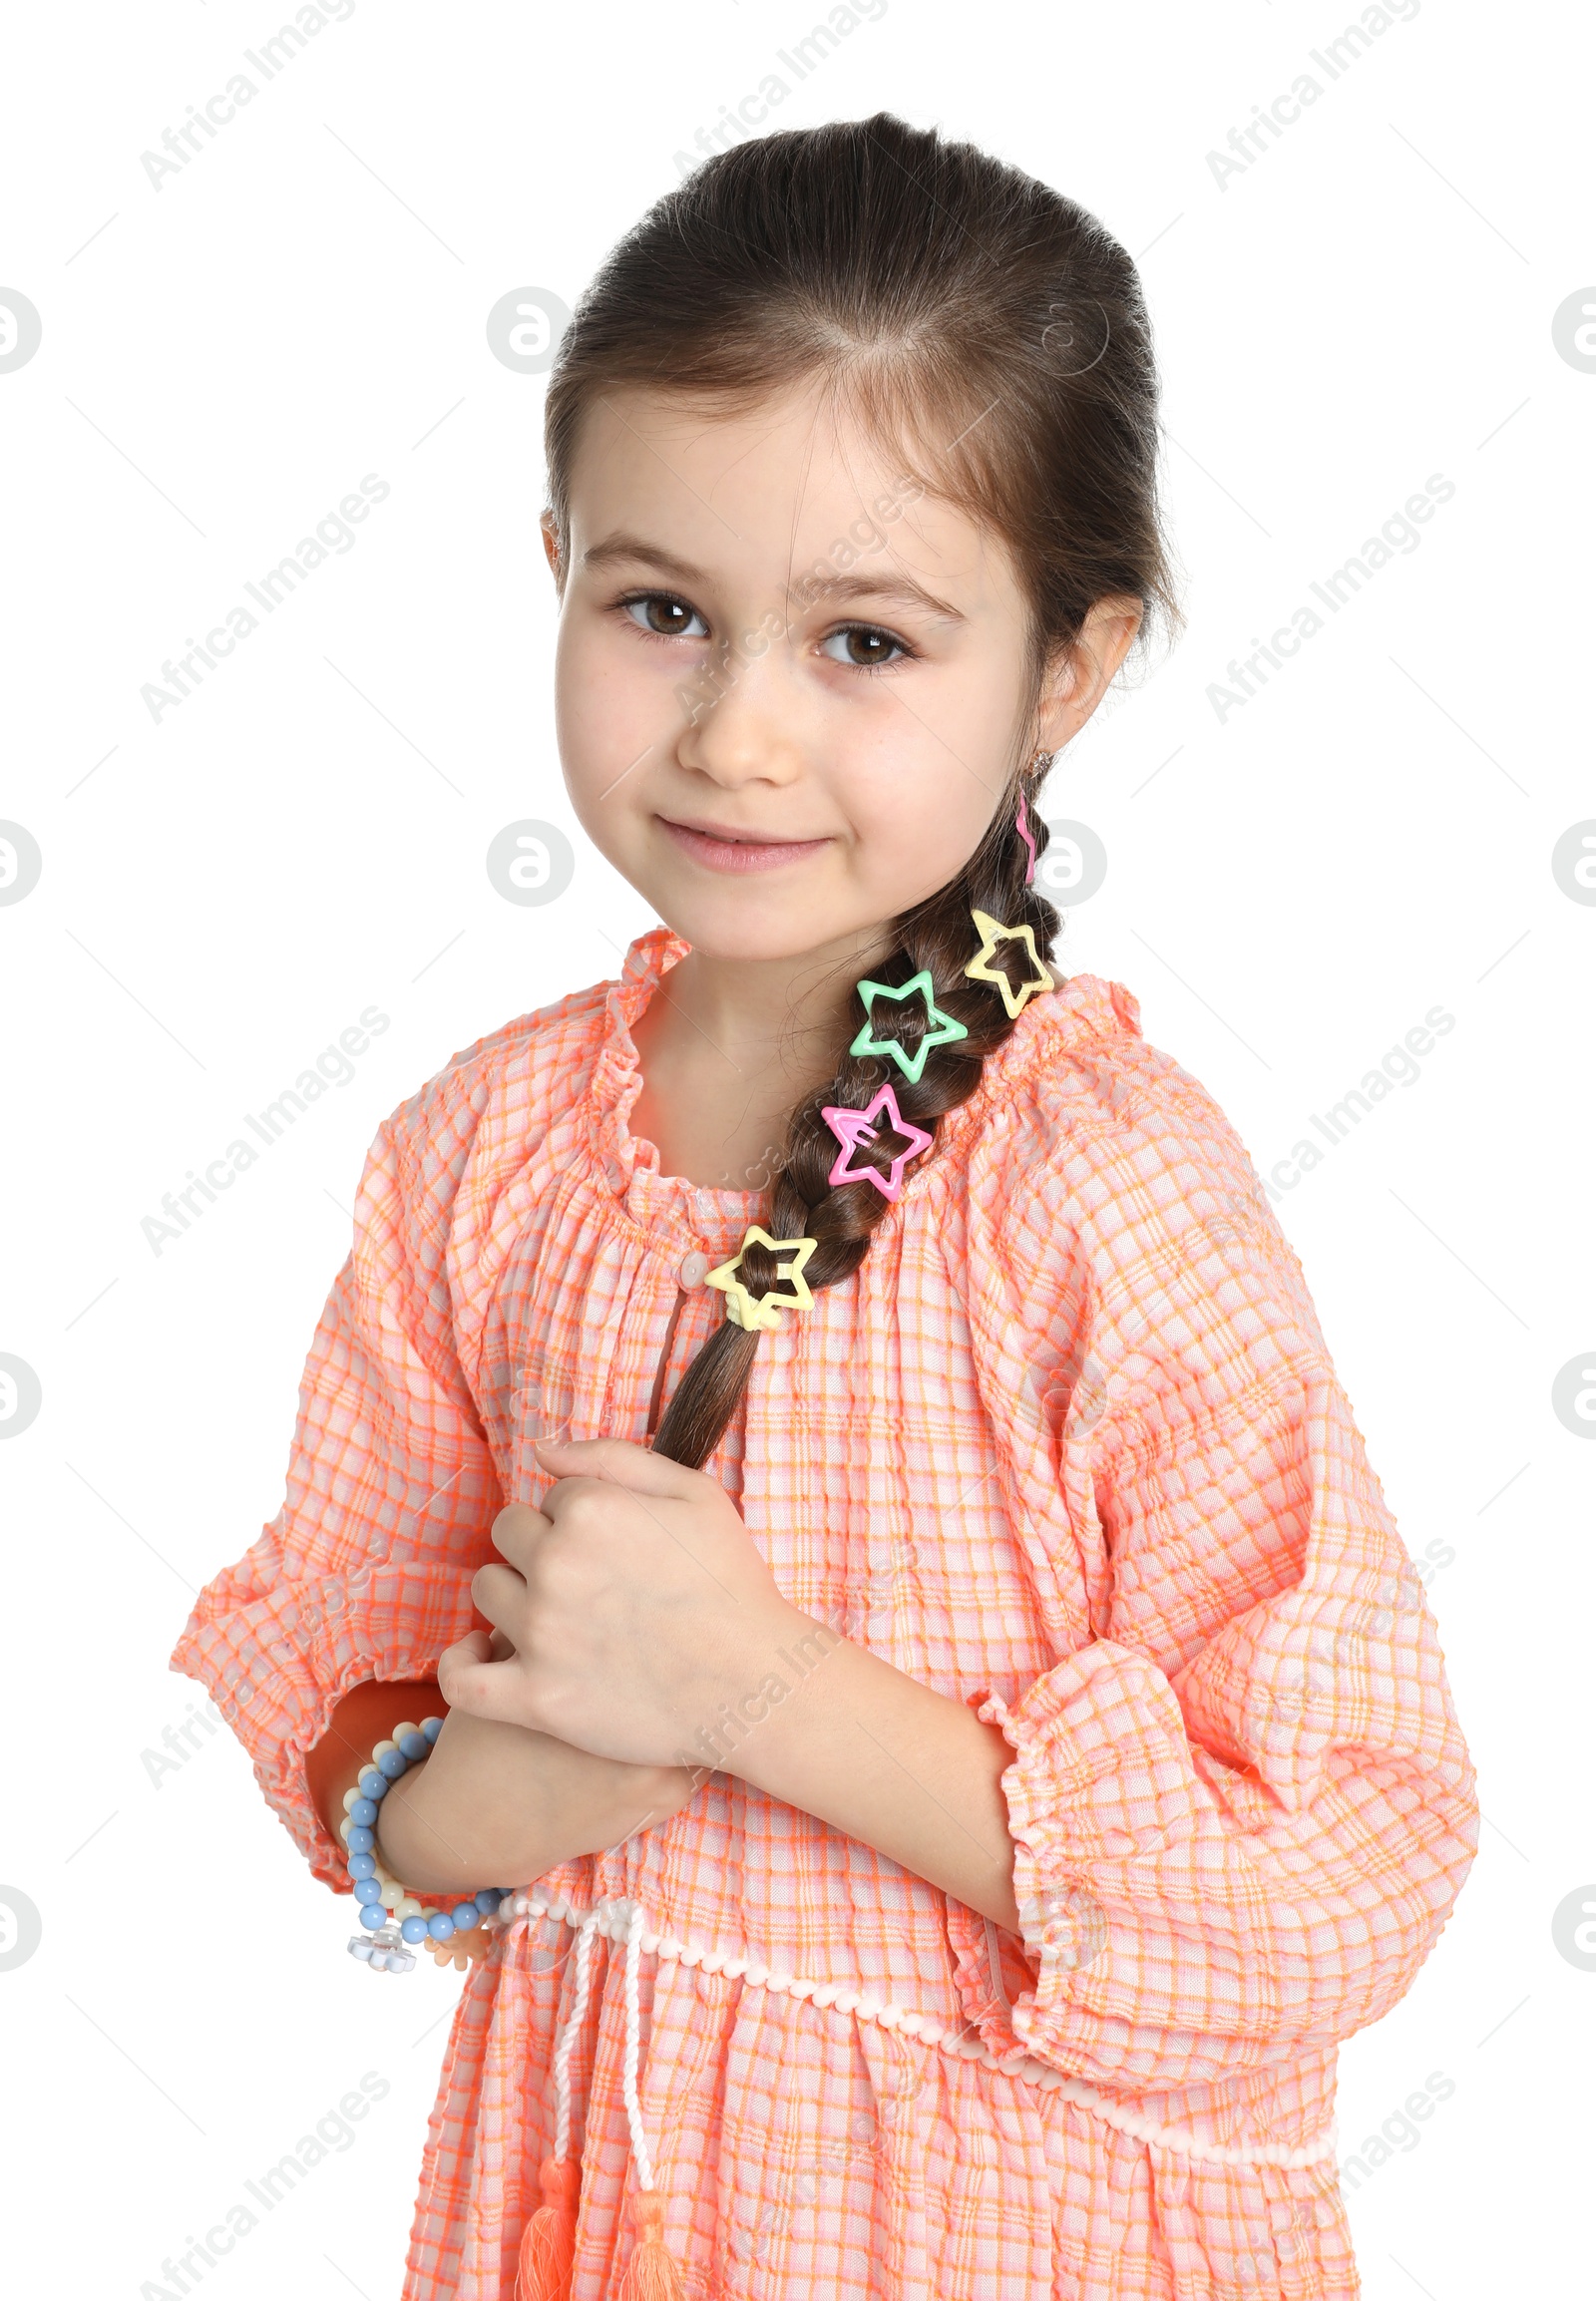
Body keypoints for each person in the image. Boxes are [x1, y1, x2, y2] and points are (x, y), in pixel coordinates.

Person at [172, 113, 1478, 2300]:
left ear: (1061, 671)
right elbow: (349, 1693)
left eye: (862, 641)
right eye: (661, 608)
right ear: (557, 563)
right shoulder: (477, 1161)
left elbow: (1346, 1861)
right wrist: (501, 1802)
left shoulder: (1097, 1195)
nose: (737, 736)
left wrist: (754, 1691)